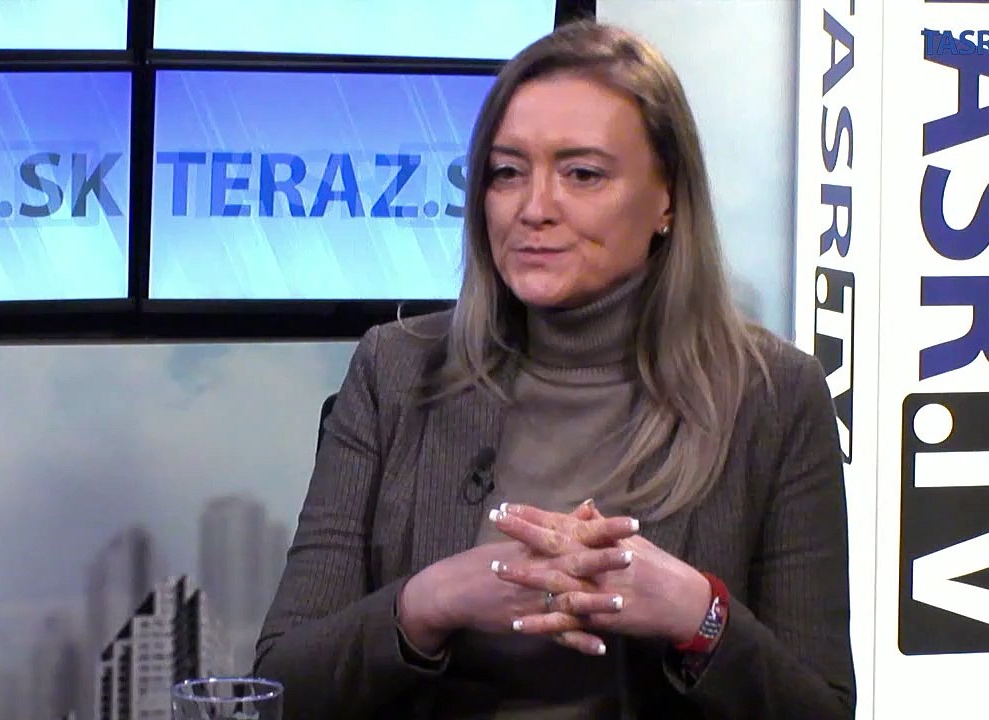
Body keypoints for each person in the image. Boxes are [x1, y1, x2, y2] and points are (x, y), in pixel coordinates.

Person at [253, 20, 855, 720]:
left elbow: (822, 709)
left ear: (667, 198)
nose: (534, 209)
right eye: (507, 172)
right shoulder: (394, 372)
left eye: (583, 174)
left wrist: (700, 616)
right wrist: (429, 603)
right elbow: (280, 688)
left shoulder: (773, 395)